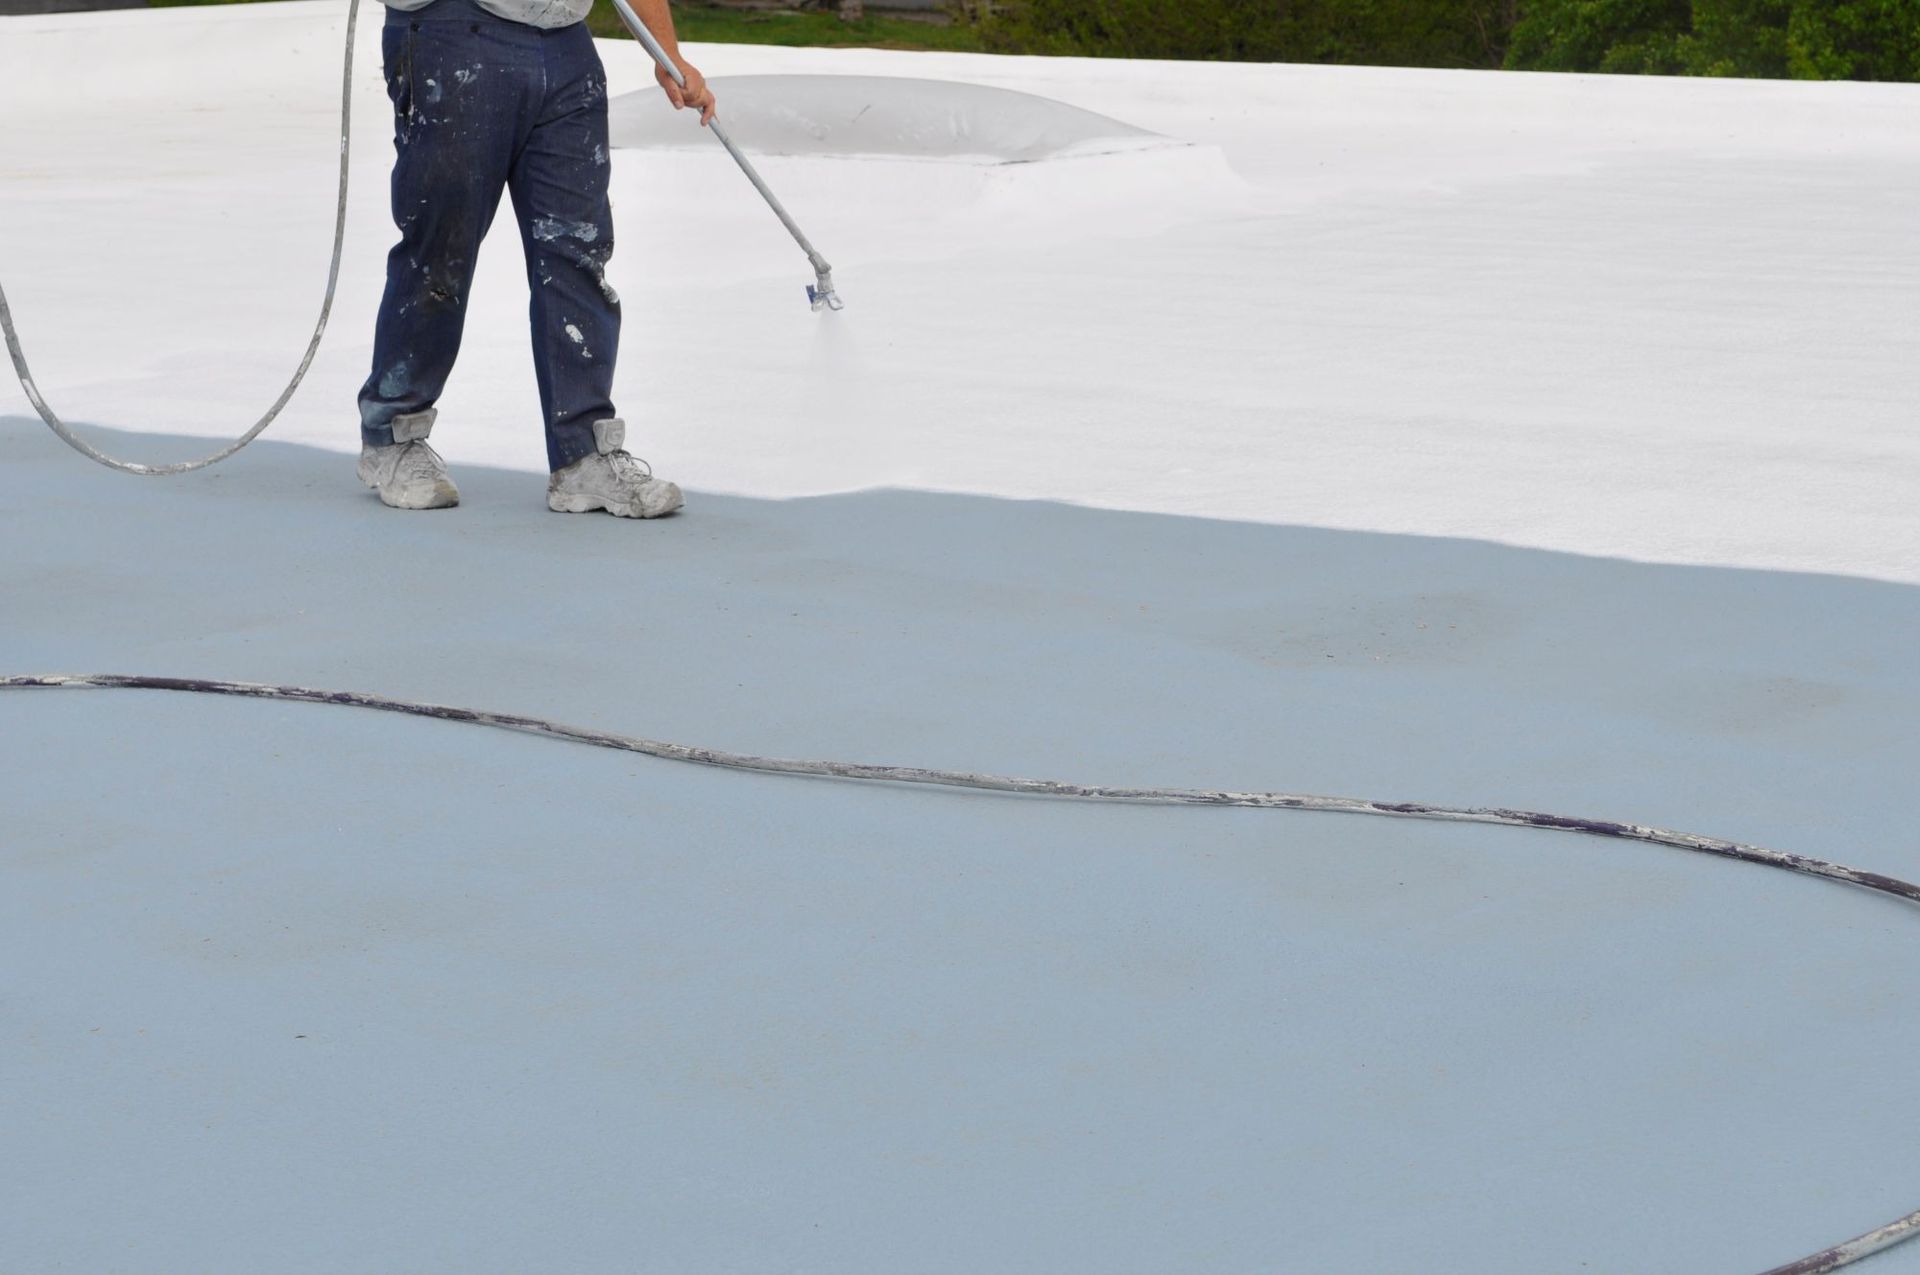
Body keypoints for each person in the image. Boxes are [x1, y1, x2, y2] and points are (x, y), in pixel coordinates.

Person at [354, 0, 713, 517]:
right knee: (442, 247)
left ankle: (582, 454)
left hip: (564, 42)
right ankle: (393, 436)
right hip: (452, 28)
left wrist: (666, 54)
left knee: (577, 249)